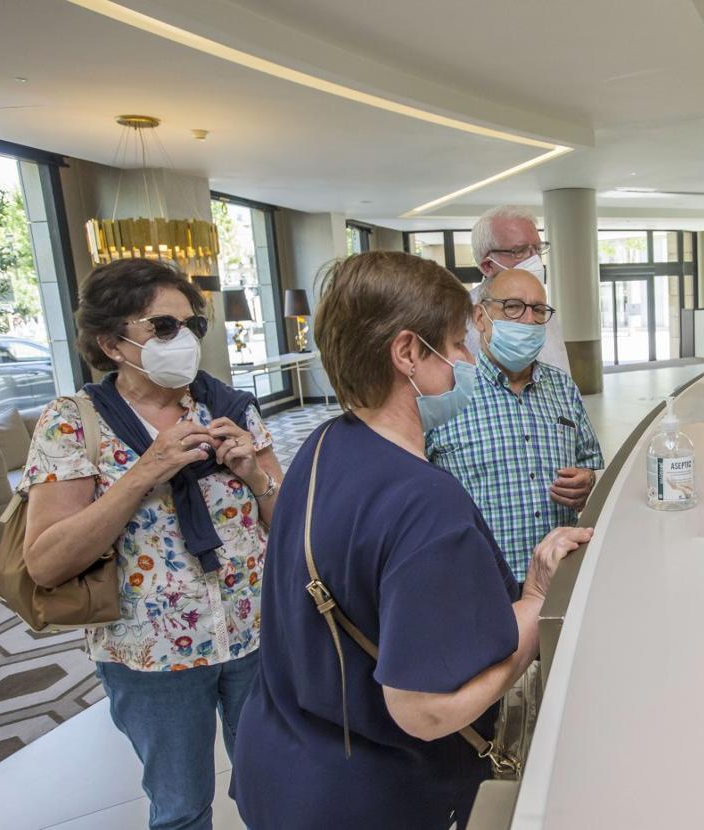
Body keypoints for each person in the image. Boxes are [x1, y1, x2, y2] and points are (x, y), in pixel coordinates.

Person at [233, 251, 591, 829]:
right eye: (454, 345)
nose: (468, 360)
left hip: (283, 770)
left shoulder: (323, 447)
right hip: (372, 797)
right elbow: (426, 711)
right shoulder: (425, 501)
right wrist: (537, 600)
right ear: (407, 353)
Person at [20, 258, 283, 829]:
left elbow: (287, 525)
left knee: (275, 787)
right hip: (152, 653)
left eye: (192, 326)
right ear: (111, 343)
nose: (183, 339)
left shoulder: (231, 407)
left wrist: (254, 476)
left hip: (255, 634)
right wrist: (144, 472)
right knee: (182, 807)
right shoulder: (73, 422)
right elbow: (45, 561)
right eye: (163, 327)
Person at [427, 267, 603, 583]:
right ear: (480, 318)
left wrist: (587, 480)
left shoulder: (562, 386)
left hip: (561, 572)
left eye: (538, 309)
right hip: (483, 580)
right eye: (512, 307)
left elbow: (589, 464)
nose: (528, 320)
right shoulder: (445, 392)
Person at [466, 205, 571, 374]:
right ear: (488, 266)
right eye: (520, 251)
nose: (535, 260)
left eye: (537, 249)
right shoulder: (457, 318)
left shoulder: (542, 311)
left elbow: (560, 368)